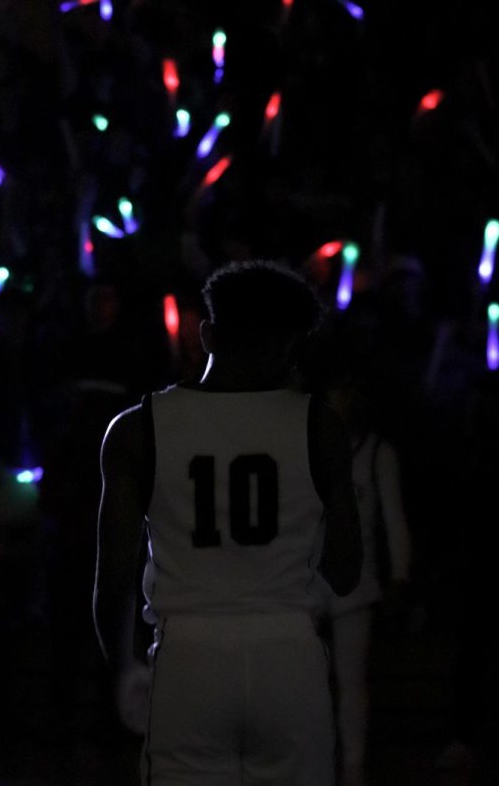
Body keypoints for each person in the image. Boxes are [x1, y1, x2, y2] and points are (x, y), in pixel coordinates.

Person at [94, 259, 363, 785]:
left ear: (208, 334)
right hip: (288, 652)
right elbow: (346, 570)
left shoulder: (137, 429)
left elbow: (114, 579)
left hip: (188, 653)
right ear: (290, 345)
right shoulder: (318, 425)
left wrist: (124, 672)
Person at [320, 370, 412, 786]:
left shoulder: (376, 453)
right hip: (312, 582)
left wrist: (400, 576)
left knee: (351, 678)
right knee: (318, 681)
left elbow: (394, 518)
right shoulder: (315, 448)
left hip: (357, 582)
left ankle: (353, 766)